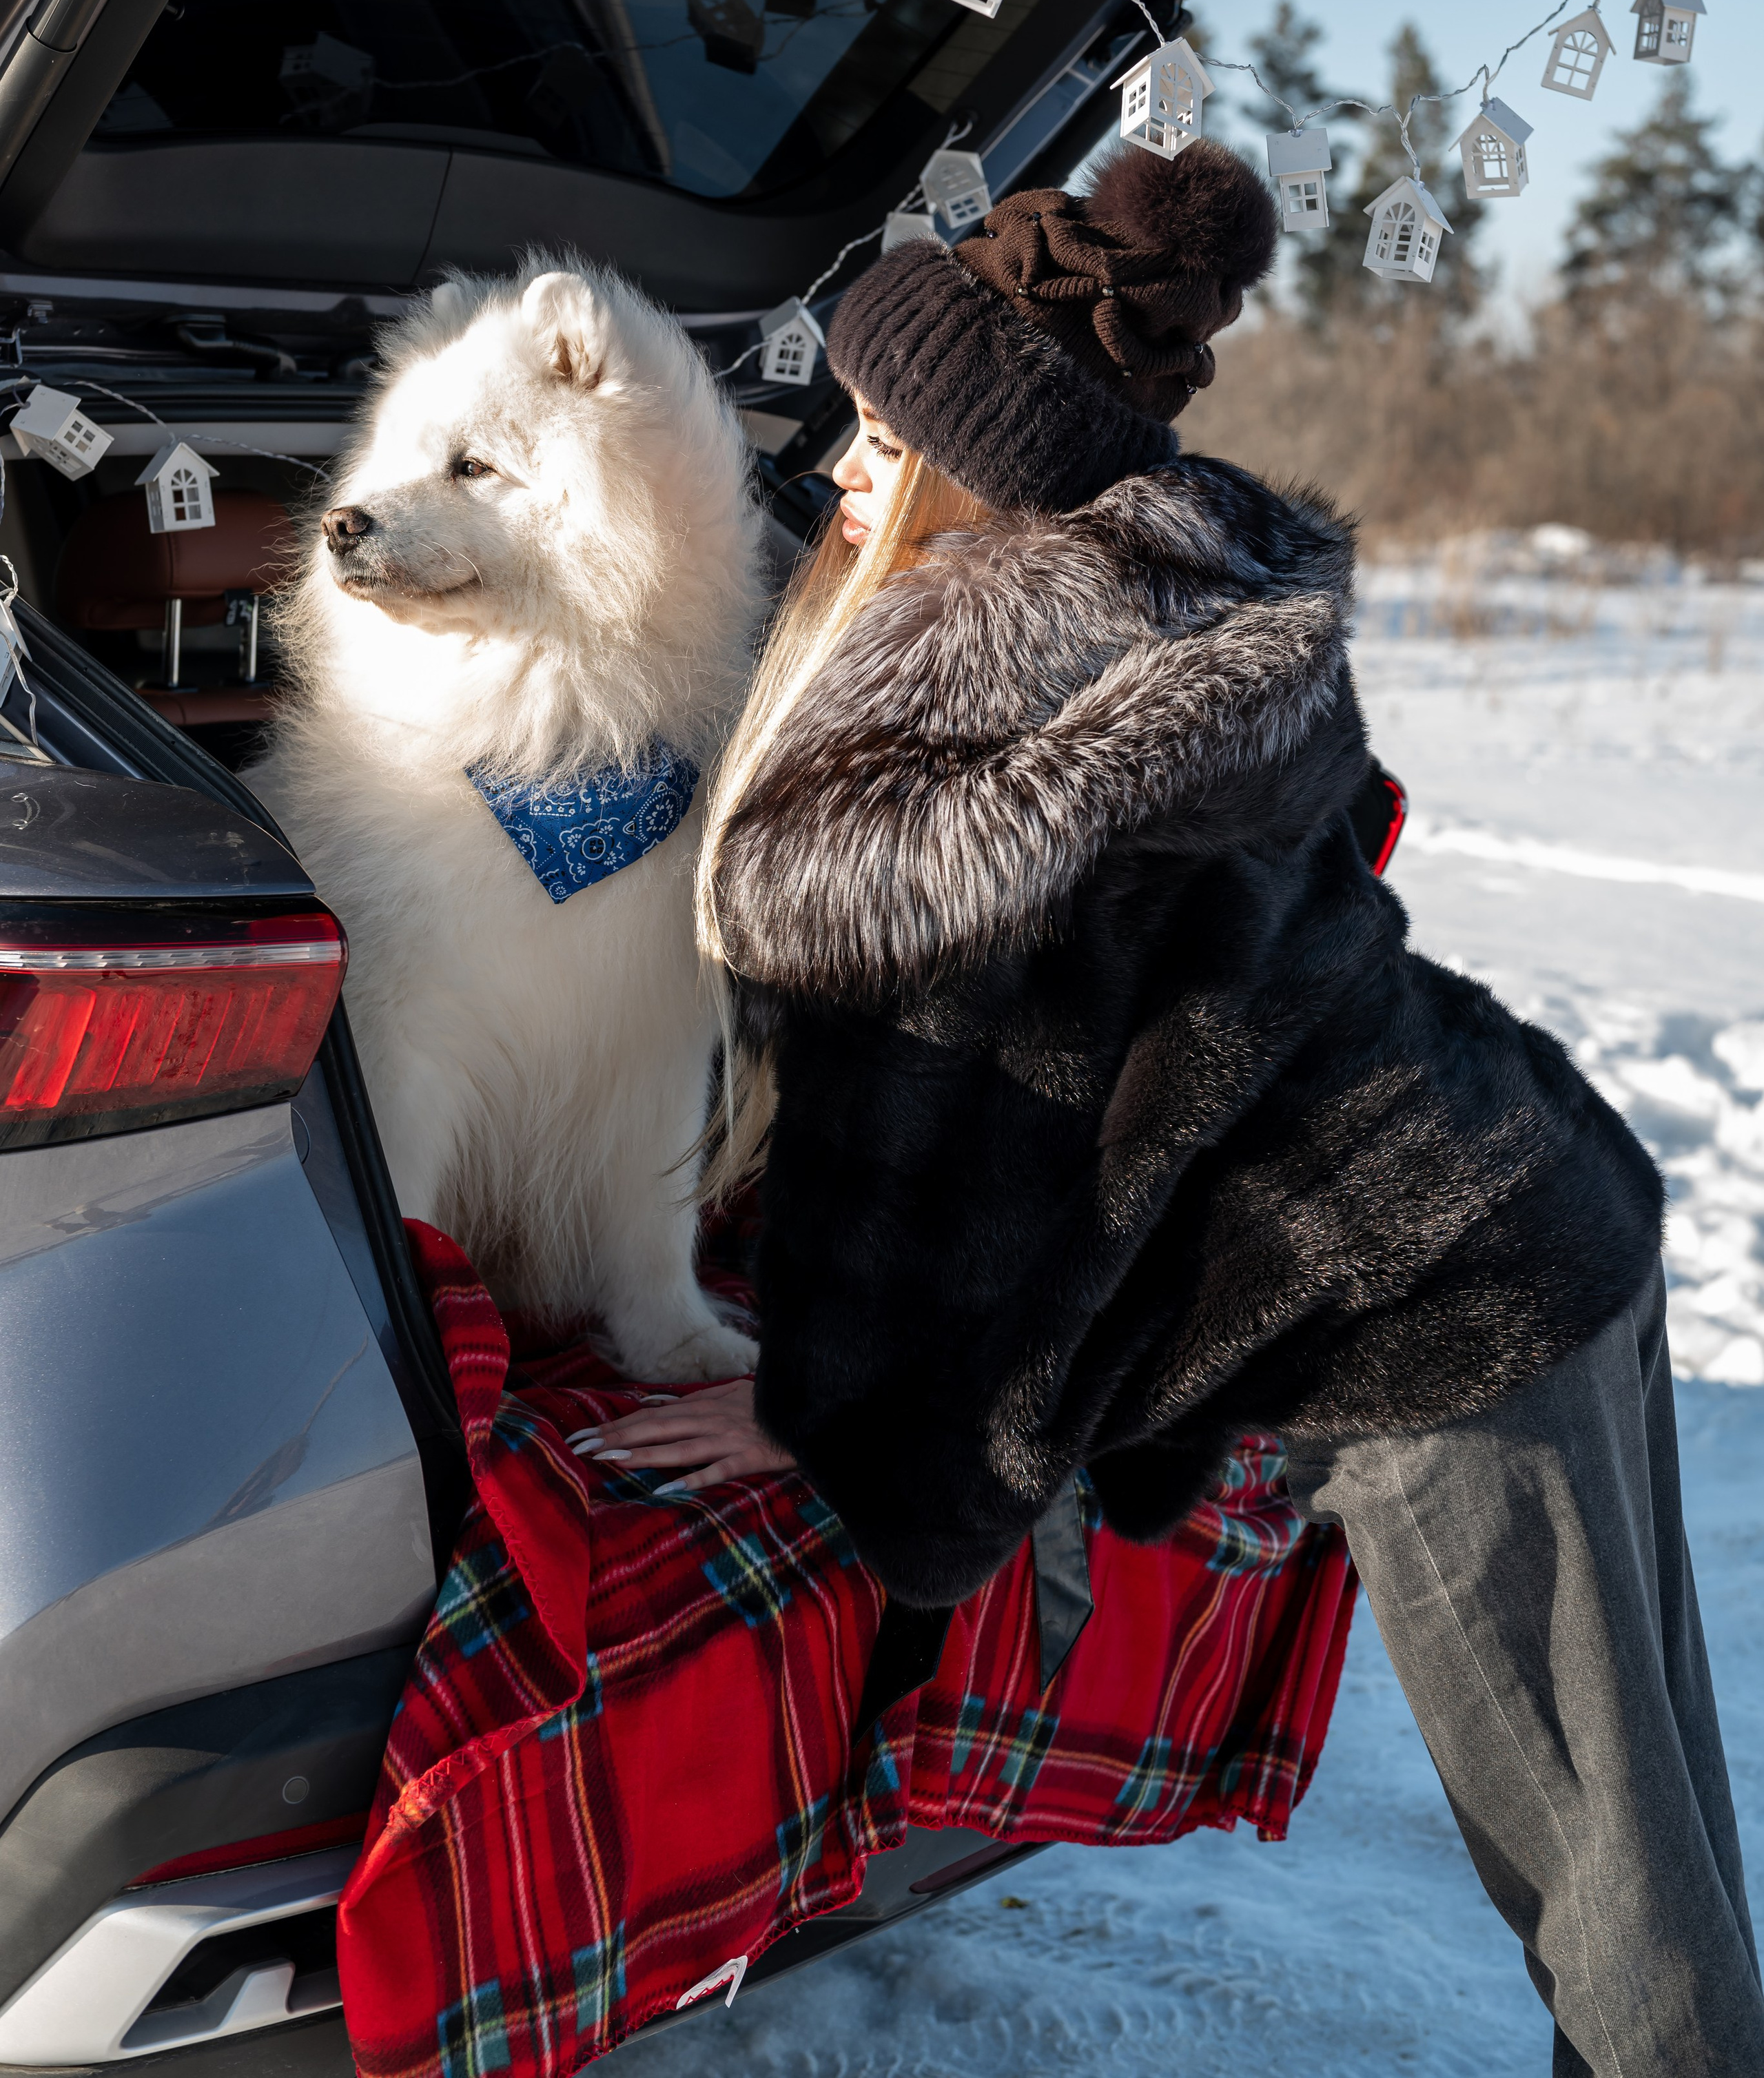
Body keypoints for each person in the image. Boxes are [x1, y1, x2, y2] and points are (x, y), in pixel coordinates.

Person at [593, 139, 1762, 2075]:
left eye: (880, 439)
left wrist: (839, 1415)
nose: (843, 471)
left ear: (974, 471)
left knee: (1625, 1928)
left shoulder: (949, 783)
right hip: (1532, 1180)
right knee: (1668, 1848)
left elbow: (1012, 1176)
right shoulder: (1184, 610)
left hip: (1433, 1311)